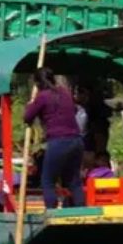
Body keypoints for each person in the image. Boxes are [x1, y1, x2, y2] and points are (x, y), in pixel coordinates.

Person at [23, 67, 85, 208]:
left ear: (37, 83)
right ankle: (81, 210)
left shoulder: (42, 96)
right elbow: (73, 110)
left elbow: (27, 118)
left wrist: (30, 106)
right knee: (73, 180)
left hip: (59, 141)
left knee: (47, 180)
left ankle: (51, 211)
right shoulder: (64, 93)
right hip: (76, 140)